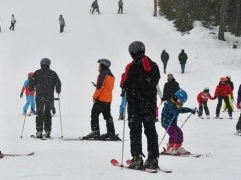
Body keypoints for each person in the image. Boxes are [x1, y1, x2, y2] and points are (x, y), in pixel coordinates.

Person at [120, 41, 161, 170]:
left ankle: (137, 158)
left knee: (135, 132)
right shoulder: (154, 66)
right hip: (149, 104)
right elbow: (155, 80)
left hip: (135, 105)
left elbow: (123, 83)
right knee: (151, 131)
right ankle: (153, 159)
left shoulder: (131, 66)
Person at [82, 59, 120, 140]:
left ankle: (95, 132)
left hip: (100, 99)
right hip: (108, 99)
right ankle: (111, 132)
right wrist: (97, 85)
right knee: (108, 116)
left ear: (103, 65)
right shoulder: (111, 75)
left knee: (94, 115)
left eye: (99, 65)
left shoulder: (102, 74)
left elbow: (100, 88)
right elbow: (107, 87)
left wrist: (94, 97)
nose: (98, 67)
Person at [28, 58, 61, 138]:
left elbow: (32, 83)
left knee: (39, 113)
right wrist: (58, 90)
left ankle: (39, 131)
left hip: (39, 96)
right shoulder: (53, 73)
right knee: (47, 113)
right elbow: (58, 83)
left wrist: (31, 87)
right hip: (49, 97)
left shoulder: (37, 73)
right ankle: (48, 131)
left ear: (41, 64)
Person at [161, 89, 196, 155]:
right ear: (175, 97)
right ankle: (169, 148)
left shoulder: (176, 105)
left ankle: (177, 147)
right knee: (173, 133)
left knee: (179, 133)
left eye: (182, 102)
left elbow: (181, 110)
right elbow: (172, 111)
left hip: (173, 123)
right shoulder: (168, 104)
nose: (180, 103)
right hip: (167, 123)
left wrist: (190, 110)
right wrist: (177, 110)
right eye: (180, 101)